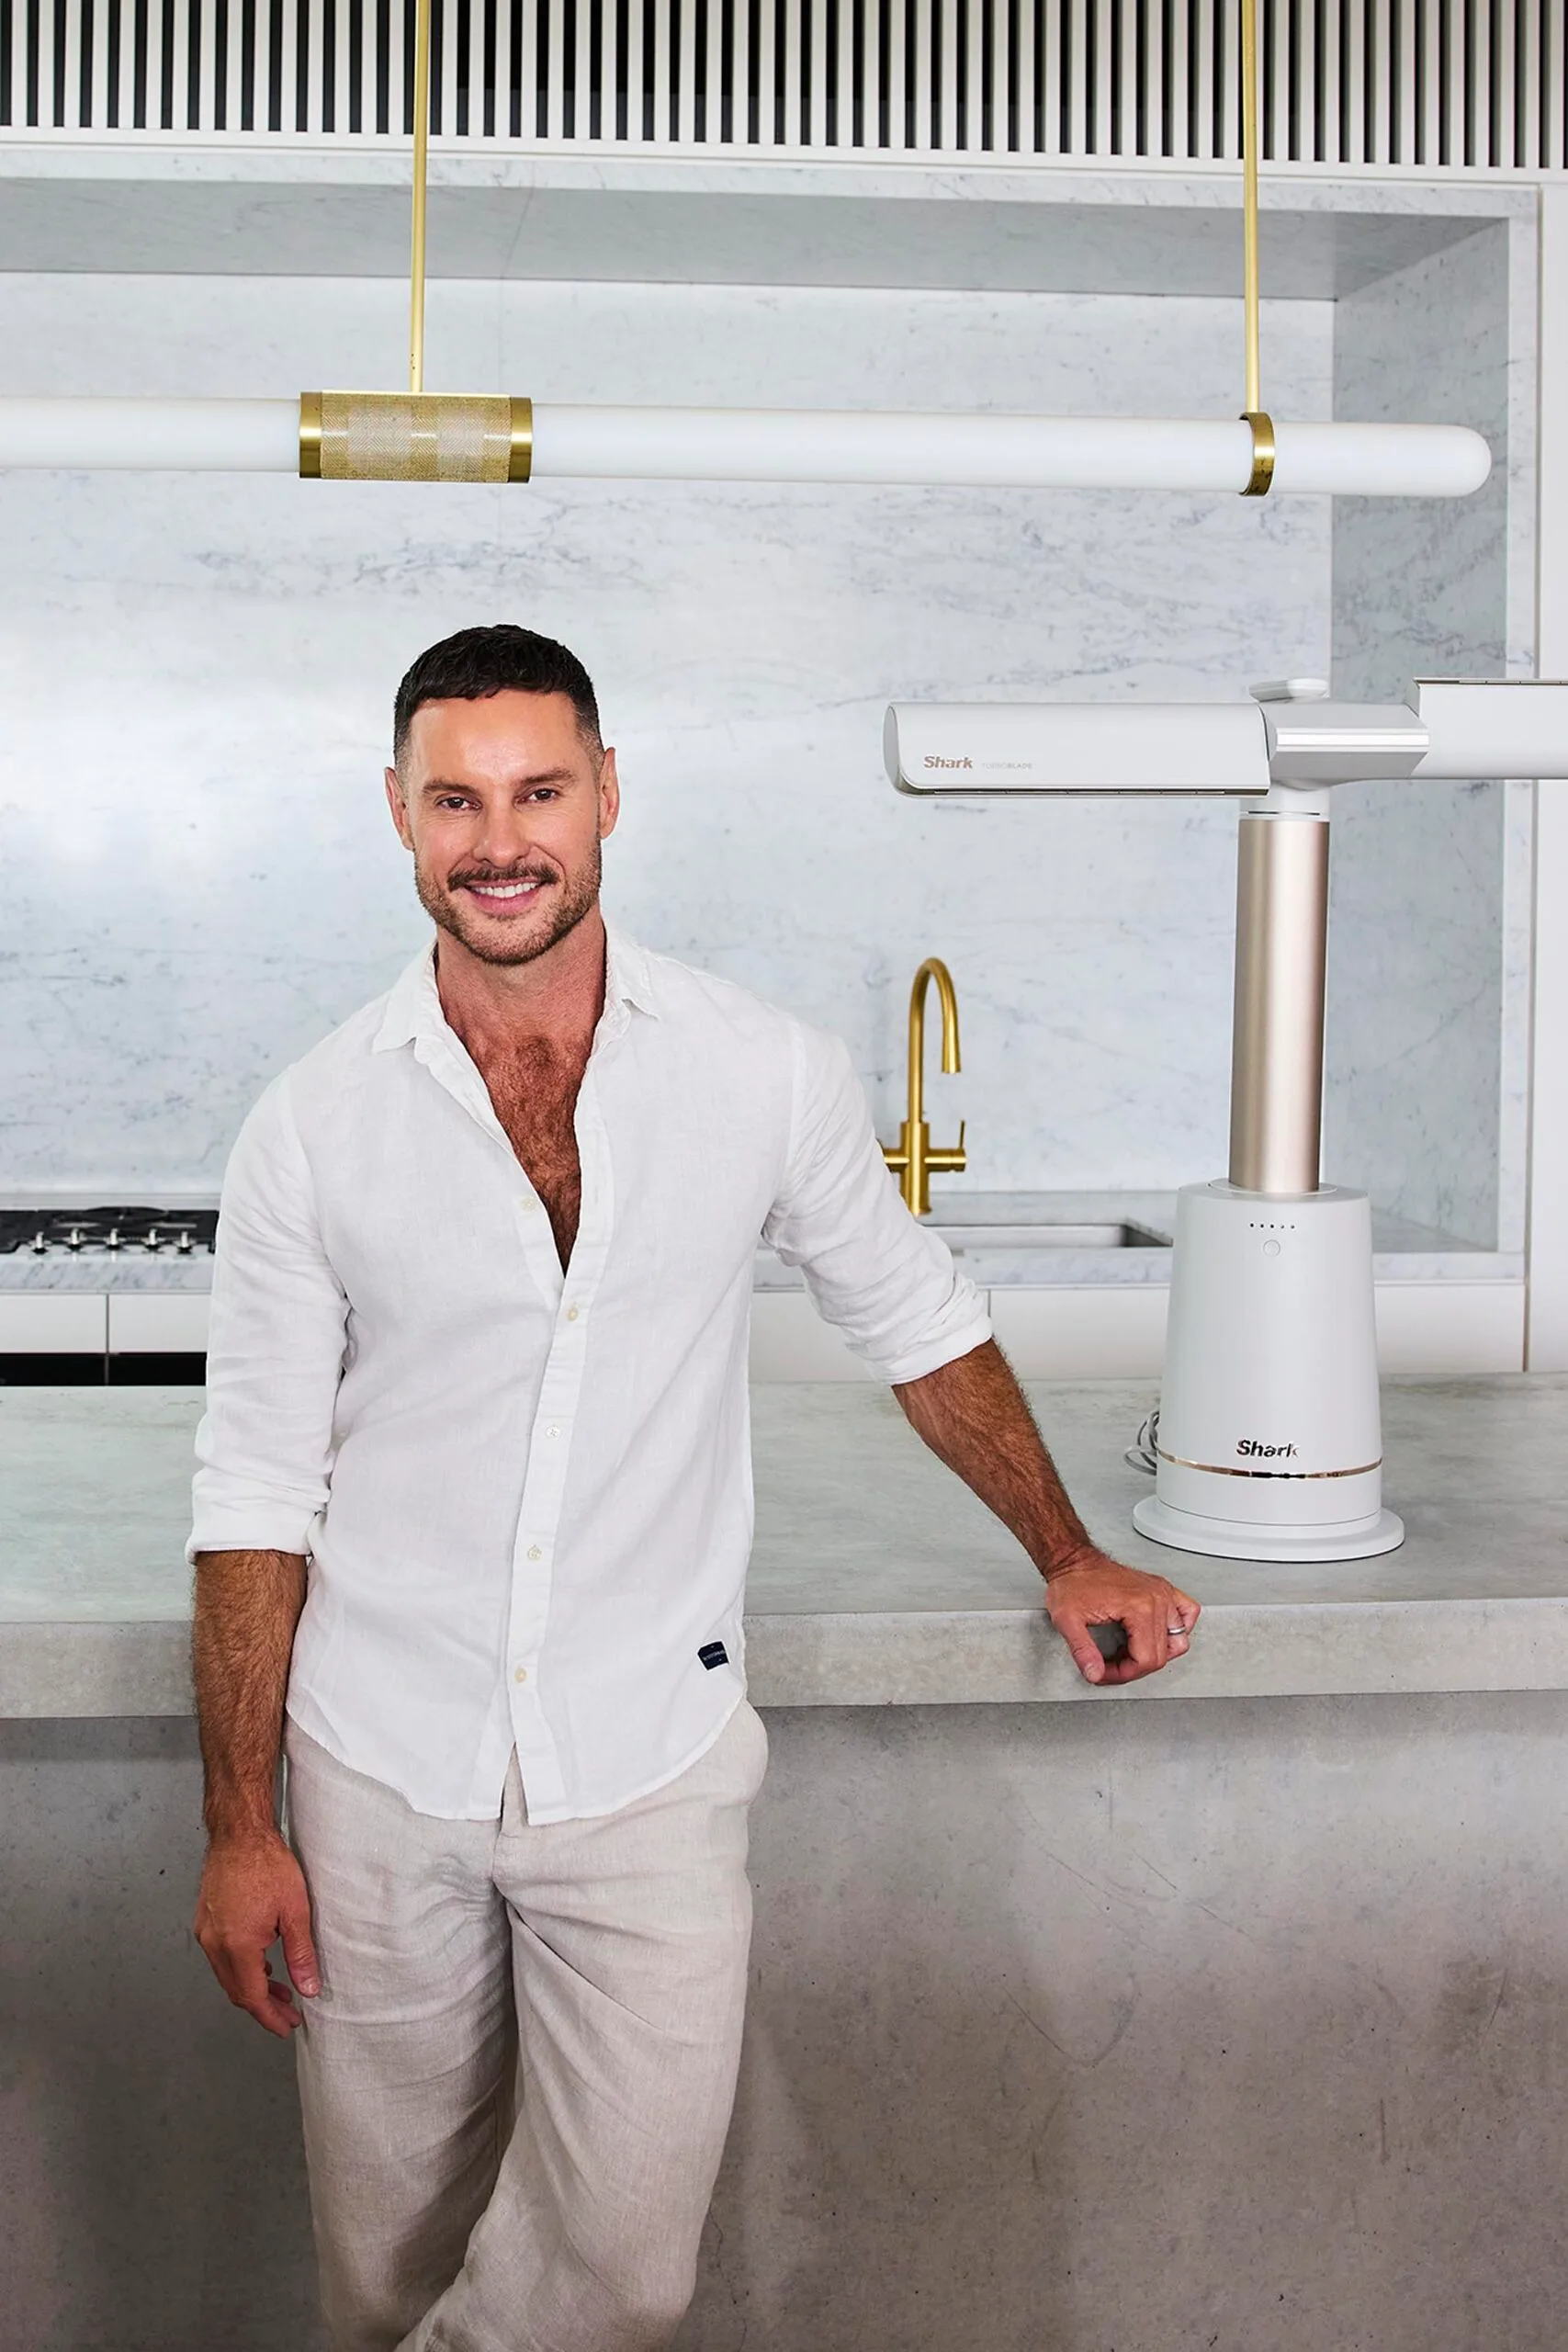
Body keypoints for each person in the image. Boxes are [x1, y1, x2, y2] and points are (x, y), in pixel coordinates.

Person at [189, 624, 1200, 2352]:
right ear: (397, 813)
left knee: (624, 2281)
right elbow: (258, 1485)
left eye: (538, 791)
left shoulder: (761, 1070)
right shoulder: (310, 1125)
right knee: (382, 2263)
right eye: (455, 797)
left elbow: (913, 1318)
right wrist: (239, 1822)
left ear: (606, 798)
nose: (498, 839)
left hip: (649, 1755)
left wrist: (1069, 1549)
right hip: (378, 1765)